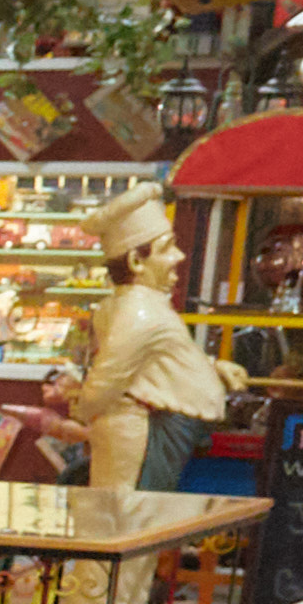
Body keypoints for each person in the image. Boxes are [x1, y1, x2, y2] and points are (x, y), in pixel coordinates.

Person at [65, 192, 238, 497]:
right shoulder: (139, 312)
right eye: (167, 248)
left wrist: (212, 368)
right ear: (136, 261)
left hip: (144, 424)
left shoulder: (130, 306)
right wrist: (82, 409)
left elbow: (155, 358)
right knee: (131, 515)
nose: (179, 257)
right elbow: (107, 380)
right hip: (139, 432)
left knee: (130, 515)